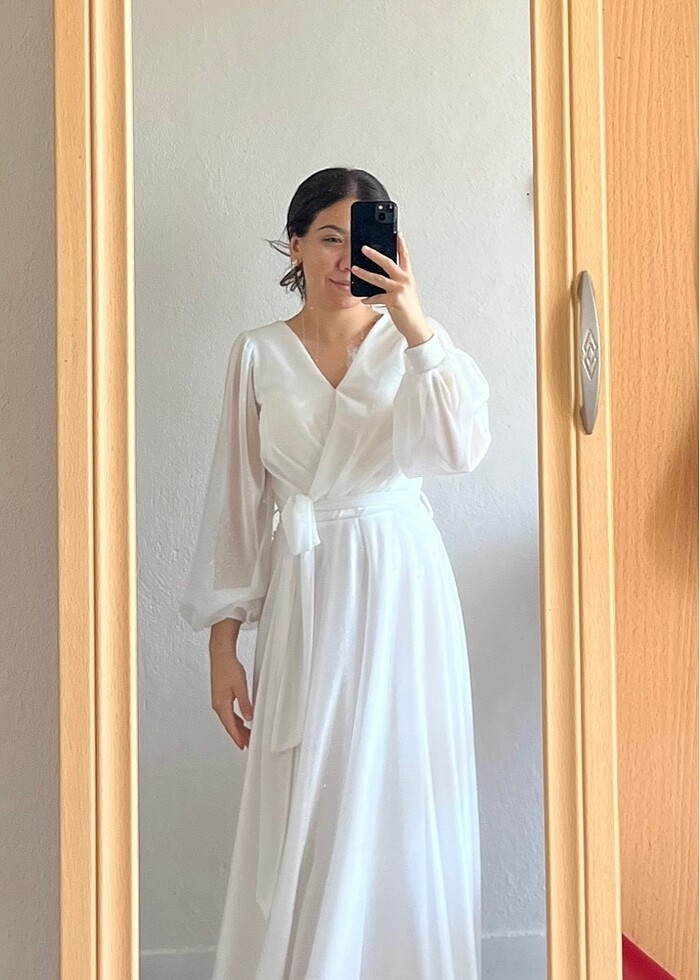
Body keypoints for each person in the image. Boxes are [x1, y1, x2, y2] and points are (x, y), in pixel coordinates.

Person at [179, 166, 492, 980]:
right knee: (309, 788)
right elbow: (237, 508)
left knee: (402, 780)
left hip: (402, 587)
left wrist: (415, 324)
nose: (346, 259)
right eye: (327, 238)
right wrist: (222, 647)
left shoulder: (415, 343)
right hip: (308, 589)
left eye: (362, 241)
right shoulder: (257, 353)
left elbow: (461, 450)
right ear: (295, 245)